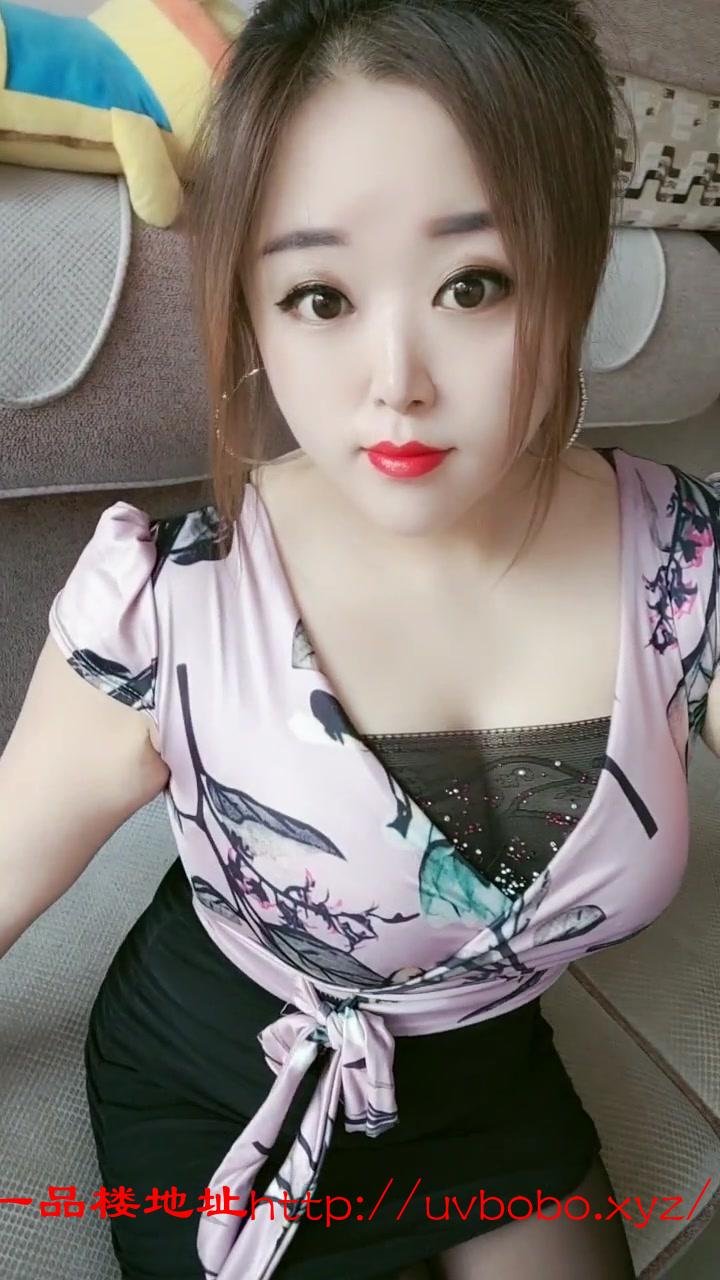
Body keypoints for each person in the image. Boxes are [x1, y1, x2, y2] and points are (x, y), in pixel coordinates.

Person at [1, 2, 719, 1278]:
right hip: (221, 1083)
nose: (398, 380)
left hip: (490, 1087)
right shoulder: (165, 607)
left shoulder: (689, 567)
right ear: (252, 309)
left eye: (473, 284)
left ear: (573, 268)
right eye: (320, 295)